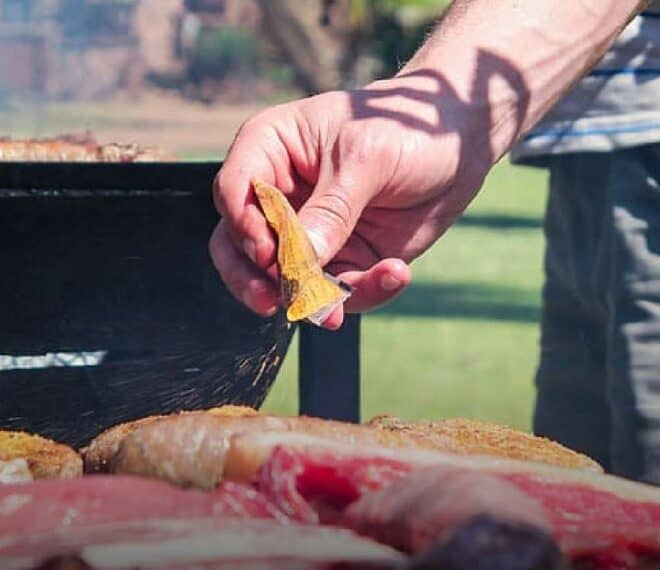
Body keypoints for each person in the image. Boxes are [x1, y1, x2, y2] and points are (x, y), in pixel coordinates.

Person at [210, 0, 658, 482]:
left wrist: (442, 104)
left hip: (646, 147)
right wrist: (437, 109)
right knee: (574, 477)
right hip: (582, 144)